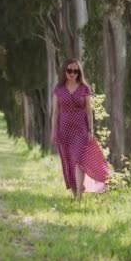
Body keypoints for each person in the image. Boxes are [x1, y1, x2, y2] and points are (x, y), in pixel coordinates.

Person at [51, 59, 110, 201]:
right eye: (69, 71)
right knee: (69, 162)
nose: (72, 74)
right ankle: (74, 192)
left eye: (75, 71)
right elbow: (55, 113)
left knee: (79, 161)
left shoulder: (84, 88)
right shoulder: (58, 89)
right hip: (64, 129)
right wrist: (53, 132)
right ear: (64, 71)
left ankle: (79, 197)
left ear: (79, 72)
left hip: (81, 129)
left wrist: (91, 130)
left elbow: (89, 111)